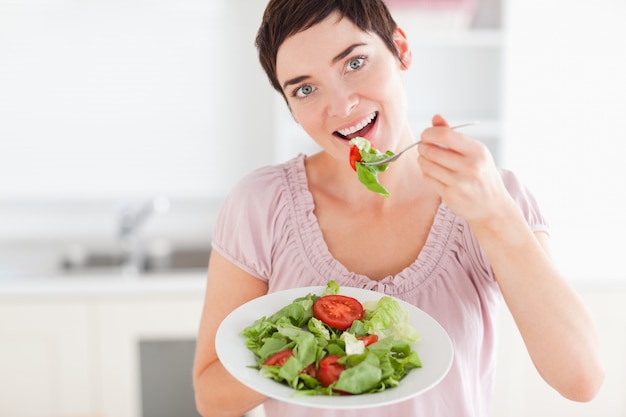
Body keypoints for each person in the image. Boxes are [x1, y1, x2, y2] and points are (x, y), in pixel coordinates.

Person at [192, 1, 604, 416]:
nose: (340, 105)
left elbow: (581, 378)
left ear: (400, 48)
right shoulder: (260, 205)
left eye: (354, 63)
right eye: (305, 88)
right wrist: (316, 346)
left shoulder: (491, 195)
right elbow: (212, 399)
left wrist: (495, 215)